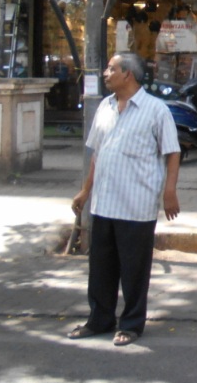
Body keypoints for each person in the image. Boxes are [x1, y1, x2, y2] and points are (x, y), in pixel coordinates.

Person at [67, 52, 181, 347]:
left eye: (111, 68)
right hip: (103, 203)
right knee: (101, 267)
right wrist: (85, 190)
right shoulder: (105, 107)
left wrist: (170, 191)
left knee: (134, 269)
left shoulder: (156, 110)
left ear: (127, 74)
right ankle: (100, 319)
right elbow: (97, 153)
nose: (105, 73)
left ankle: (131, 324)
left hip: (136, 204)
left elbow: (172, 152)